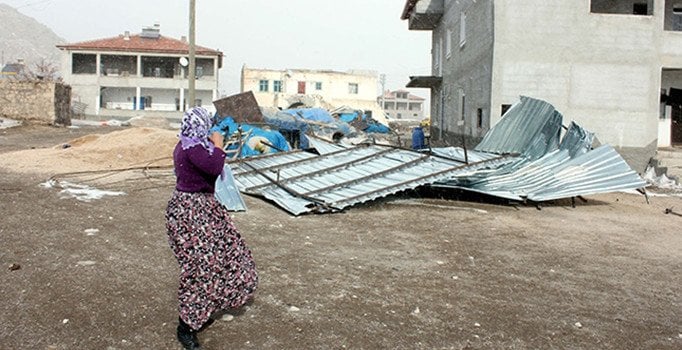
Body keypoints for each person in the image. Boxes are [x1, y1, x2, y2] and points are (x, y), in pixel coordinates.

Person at [165, 106, 258, 350]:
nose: (211, 128)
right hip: (192, 212)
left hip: (203, 209)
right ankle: (186, 325)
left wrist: (214, 147)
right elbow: (215, 167)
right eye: (208, 124)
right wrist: (218, 144)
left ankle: (203, 309)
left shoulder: (189, 143)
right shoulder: (193, 147)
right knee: (200, 267)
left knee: (226, 255)